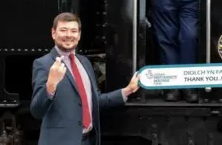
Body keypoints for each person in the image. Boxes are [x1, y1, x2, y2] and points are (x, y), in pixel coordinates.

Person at [30, 12, 140, 145]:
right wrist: (50, 85)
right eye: (63, 30)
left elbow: (95, 100)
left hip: (88, 140)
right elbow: (36, 111)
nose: (69, 35)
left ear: (79, 35)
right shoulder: (43, 64)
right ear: (53, 33)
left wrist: (127, 90)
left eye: (73, 31)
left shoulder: (85, 63)